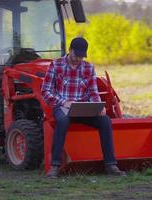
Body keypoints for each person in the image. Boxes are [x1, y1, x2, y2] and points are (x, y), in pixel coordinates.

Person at [41, 37, 126, 178]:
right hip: (62, 107)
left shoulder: (88, 67)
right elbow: (45, 91)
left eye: (81, 56)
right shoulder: (56, 65)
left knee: (105, 121)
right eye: (76, 55)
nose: (78, 59)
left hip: (82, 108)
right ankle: (54, 167)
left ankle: (111, 165)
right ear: (70, 50)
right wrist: (63, 102)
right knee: (62, 122)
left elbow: (93, 92)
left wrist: (98, 106)